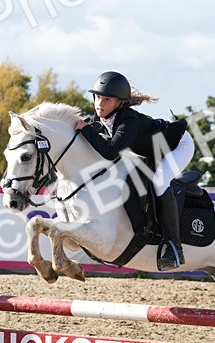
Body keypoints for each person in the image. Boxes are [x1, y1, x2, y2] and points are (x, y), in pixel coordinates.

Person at [73, 71, 194, 271]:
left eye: (106, 99)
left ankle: (174, 247)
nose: (99, 104)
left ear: (119, 102)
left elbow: (111, 151)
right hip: (153, 149)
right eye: (97, 97)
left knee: (159, 182)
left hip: (177, 145)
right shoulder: (102, 116)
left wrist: (85, 130)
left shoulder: (127, 120)